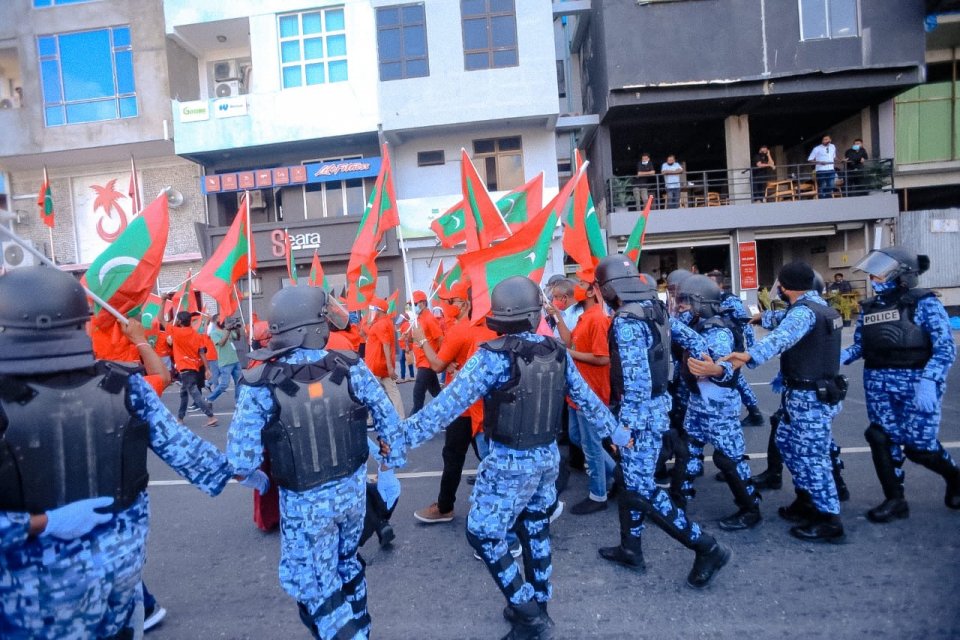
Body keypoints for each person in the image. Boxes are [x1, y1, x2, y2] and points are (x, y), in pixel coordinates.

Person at [0, 266, 267, 639]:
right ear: (83, 324)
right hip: (110, 578)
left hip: (36, 598)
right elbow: (182, 448)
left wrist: (38, 525)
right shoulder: (122, 384)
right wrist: (240, 472)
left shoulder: (122, 383)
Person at [401, 276, 626, 639]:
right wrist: (618, 435)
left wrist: (398, 440)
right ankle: (540, 605)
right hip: (546, 459)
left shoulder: (492, 357)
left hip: (509, 463)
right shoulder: (556, 351)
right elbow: (587, 400)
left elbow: (444, 407)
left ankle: (527, 611)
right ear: (535, 312)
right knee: (535, 528)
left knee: (483, 534)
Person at [226, 285, 406, 639]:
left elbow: (240, 462)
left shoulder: (260, 381)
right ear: (314, 326)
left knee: (316, 591)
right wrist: (388, 469)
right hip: (352, 496)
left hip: (304, 506)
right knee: (348, 564)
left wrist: (262, 484)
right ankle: (362, 628)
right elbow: (391, 425)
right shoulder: (350, 366)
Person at [593, 256, 731, 588]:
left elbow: (637, 385)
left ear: (607, 289)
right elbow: (695, 341)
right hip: (657, 410)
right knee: (630, 483)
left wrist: (621, 430)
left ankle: (706, 547)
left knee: (642, 491)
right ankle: (631, 547)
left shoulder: (626, 320)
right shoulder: (655, 310)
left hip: (639, 418)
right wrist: (697, 367)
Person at [704, 261, 847, 542]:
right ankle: (807, 501)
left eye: (780, 285)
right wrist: (760, 319)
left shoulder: (804, 313)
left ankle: (830, 519)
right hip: (805, 394)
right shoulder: (819, 308)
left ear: (786, 286)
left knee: (813, 459)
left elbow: (783, 337)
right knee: (788, 445)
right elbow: (786, 320)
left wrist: (748, 355)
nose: (777, 289)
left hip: (810, 398)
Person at [841, 246, 959, 522]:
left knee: (920, 447)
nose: (873, 280)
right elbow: (860, 345)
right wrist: (840, 357)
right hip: (878, 383)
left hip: (917, 382)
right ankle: (895, 500)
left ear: (902, 276)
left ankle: (955, 478)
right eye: (872, 275)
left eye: (879, 275)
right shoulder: (871, 308)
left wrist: (930, 381)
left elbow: (944, 349)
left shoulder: (924, 303)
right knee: (880, 437)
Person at [673, 275, 762, 530]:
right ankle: (679, 501)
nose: (684, 306)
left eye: (689, 301)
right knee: (687, 449)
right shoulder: (700, 322)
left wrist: (718, 370)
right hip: (700, 401)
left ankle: (750, 508)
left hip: (718, 406)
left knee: (728, 459)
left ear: (702, 302)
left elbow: (727, 367)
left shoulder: (717, 331)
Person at [410, 281, 498, 525]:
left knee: (457, 456)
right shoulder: (489, 328)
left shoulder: (463, 329)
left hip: (464, 406)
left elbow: (437, 363)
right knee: (488, 458)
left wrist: (420, 341)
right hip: (485, 405)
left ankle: (448, 507)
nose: (446, 305)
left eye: (451, 302)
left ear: (465, 304)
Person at [550, 270, 615, 515]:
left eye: (580, 284)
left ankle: (598, 494)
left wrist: (569, 354)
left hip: (592, 392)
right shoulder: (584, 316)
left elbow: (602, 358)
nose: (574, 287)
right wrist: (557, 316)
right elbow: (570, 342)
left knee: (591, 445)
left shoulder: (597, 318)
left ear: (590, 291)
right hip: (578, 393)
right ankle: (616, 474)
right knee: (579, 439)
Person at [704, 270, 764, 427]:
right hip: (719, 343)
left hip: (733, 343)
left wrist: (750, 348)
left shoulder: (730, 301)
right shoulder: (708, 300)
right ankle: (754, 411)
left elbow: (747, 322)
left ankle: (752, 412)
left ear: (720, 284)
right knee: (736, 379)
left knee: (734, 378)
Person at [169, 311, 217, 426]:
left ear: (179, 321)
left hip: (184, 367)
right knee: (184, 392)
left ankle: (210, 416)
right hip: (194, 367)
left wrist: (164, 301)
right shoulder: (196, 335)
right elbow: (202, 353)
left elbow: (161, 319)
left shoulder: (176, 332)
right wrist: (207, 368)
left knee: (194, 393)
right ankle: (180, 418)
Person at [364, 297, 404, 416]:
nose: (371, 312)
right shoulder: (387, 322)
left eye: (373, 309)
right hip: (383, 365)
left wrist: (390, 367)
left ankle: (371, 419)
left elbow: (386, 345)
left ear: (379, 311)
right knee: (393, 392)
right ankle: (400, 417)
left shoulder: (380, 324)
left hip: (376, 365)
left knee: (370, 392)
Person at [410, 290, 443, 413]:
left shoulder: (429, 318)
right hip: (422, 361)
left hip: (427, 362)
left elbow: (440, 338)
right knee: (437, 393)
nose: (412, 307)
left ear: (422, 304)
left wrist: (442, 359)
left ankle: (412, 422)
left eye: (414, 304)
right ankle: (450, 416)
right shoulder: (419, 319)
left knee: (418, 394)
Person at [208, 315, 243, 403]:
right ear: (216, 321)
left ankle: (238, 402)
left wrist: (236, 327)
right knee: (224, 384)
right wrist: (228, 330)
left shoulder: (227, 330)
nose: (223, 320)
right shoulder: (214, 333)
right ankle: (209, 399)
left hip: (235, 360)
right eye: (221, 319)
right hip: (225, 363)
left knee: (239, 383)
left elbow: (237, 337)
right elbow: (221, 343)